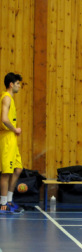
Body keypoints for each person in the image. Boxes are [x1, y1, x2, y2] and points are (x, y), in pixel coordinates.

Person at [0, 73, 24, 214]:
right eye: (17, 83)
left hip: (12, 138)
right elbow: (4, 119)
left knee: (18, 169)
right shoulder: (7, 98)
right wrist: (15, 129)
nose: (19, 86)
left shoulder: (10, 99)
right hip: (7, 138)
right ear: (11, 84)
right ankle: (3, 204)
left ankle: (9, 200)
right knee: (6, 173)